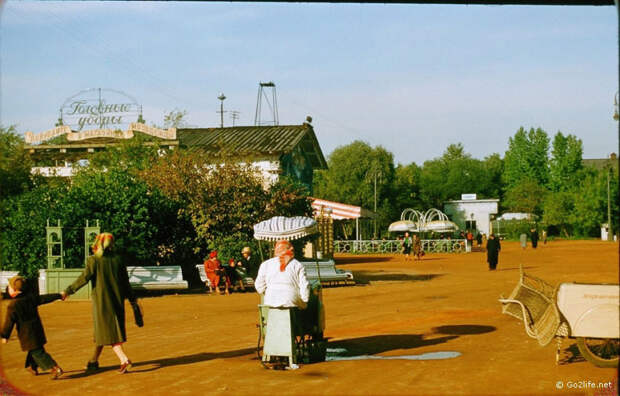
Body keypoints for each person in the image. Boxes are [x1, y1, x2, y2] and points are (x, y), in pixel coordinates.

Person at [62, 233, 138, 374]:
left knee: (109, 332)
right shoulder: (118, 260)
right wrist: (133, 300)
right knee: (103, 332)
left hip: (102, 303)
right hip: (117, 301)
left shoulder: (94, 260)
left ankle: (124, 360)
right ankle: (93, 361)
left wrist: (68, 291)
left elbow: (83, 278)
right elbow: (126, 283)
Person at [1, 276, 64, 379]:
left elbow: (9, 322)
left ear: (15, 291)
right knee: (35, 349)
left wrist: (5, 336)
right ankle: (31, 366)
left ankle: (54, 368)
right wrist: (59, 295)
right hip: (37, 330)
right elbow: (45, 298)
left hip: (27, 334)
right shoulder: (30, 298)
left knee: (38, 352)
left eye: (9, 287)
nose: (8, 288)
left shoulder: (13, 305)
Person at [255, 240, 309, 309]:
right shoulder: (298, 264)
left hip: (270, 300)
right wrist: (305, 300)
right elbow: (304, 285)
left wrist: (270, 292)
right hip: (291, 299)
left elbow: (259, 286)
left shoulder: (266, 264)